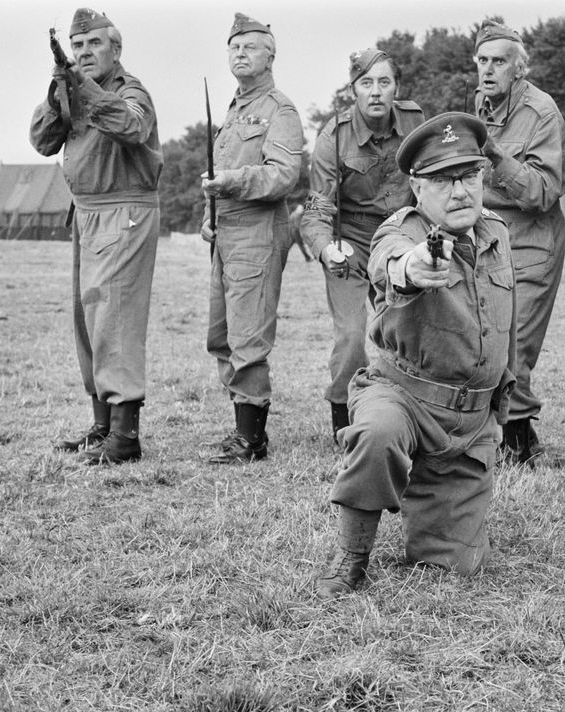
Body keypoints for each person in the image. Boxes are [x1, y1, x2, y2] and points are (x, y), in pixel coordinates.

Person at [316, 113, 517, 599]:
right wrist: (415, 266)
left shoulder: (496, 233)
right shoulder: (400, 233)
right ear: (416, 187)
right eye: (444, 181)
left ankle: (426, 489)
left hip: (467, 427)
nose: (461, 192)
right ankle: (352, 555)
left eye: (469, 177)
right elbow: (393, 264)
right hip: (402, 396)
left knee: (456, 567)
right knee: (377, 433)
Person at [31, 8, 161, 465]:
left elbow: (131, 126)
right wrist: (58, 95)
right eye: (78, 46)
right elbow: (41, 141)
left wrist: (83, 90)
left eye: (94, 45)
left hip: (123, 212)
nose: (84, 53)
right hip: (85, 214)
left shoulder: (131, 91)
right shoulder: (74, 92)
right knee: (87, 321)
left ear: (116, 49)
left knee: (115, 319)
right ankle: (103, 424)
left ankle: (125, 438)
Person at [301, 49, 425, 442]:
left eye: (384, 82)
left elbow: (432, 184)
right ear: (353, 89)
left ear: (396, 88)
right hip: (350, 243)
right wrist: (326, 250)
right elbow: (316, 209)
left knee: (412, 332)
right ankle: (346, 423)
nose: (375, 92)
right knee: (352, 335)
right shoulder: (333, 137)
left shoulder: (417, 122)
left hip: (401, 238)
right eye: (366, 83)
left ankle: (413, 419)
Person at [200, 14, 304, 464]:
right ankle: (242, 426)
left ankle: (252, 439)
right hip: (227, 235)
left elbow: (284, 175)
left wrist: (229, 183)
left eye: (250, 47)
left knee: (248, 338)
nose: (239, 54)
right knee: (220, 336)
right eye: (234, 47)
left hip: (258, 233)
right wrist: (209, 215)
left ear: (271, 55)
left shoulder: (279, 110)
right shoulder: (235, 109)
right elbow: (213, 177)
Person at [472, 20, 565, 465]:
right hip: (488, 239)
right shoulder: (478, 105)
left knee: (516, 344)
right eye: (483, 60)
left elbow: (544, 192)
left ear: (519, 68)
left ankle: (518, 443)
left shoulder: (542, 112)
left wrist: (496, 156)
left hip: (532, 240)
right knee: (487, 339)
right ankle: (509, 436)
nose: (489, 69)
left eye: (500, 61)